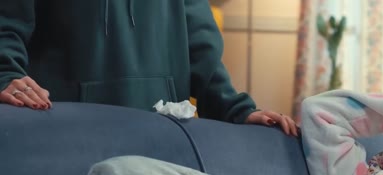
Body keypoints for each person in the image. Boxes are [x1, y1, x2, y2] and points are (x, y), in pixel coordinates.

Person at [0, 0, 297, 136]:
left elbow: (199, 41)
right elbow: (6, 24)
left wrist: (233, 108)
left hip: (163, 134)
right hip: (68, 133)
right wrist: (6, 73)